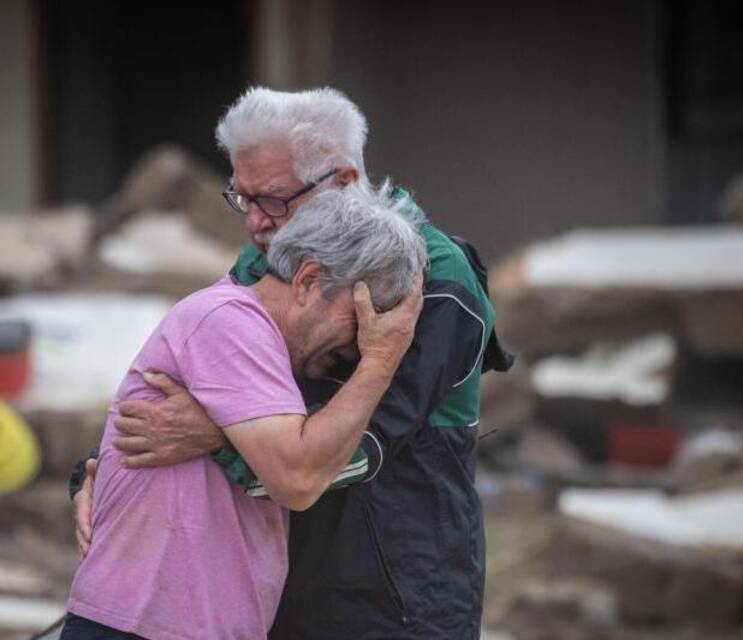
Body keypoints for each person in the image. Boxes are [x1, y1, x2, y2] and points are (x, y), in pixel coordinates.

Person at [70, 87, 513, 639]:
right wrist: (105, 465)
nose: (256, 222)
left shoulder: (430, 279)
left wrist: (217, 432)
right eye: (243, 198)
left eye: (275, 200)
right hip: (282, 590)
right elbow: (192, 370)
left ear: (345, 182)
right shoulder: (267, 262)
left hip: (397, 600)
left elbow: (357, 448)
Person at [61, 185, 427, 640]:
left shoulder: (256, 340)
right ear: (309, 281)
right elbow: (297, 478)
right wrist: (381, 360)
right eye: (360, 318)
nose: (359, 344)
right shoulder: (230, 323)